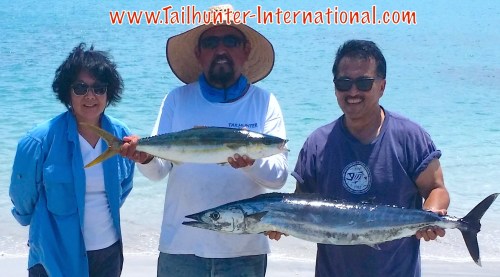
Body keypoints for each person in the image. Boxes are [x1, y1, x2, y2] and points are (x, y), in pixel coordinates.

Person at [119, 4, 288, 277]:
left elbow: (278, 176)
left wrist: (249, 164)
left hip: (243, 251)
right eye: (211, 42)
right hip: (181, 246)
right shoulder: (177, 99)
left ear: (245, 50)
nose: (221, 49)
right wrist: (146, 157)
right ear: (199, 54)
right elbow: (159, 171)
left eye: (231, 41)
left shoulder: (264, 102)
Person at [287, 40, 450, 277]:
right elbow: (300, 204)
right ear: (335, 88)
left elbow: (437, 189)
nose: (353, 92)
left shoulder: (410, 136)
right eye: (344, 83)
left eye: (364, 83)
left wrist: (431, 215)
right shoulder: (317, 143)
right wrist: (277, 223)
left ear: (382, 86)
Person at [9, 43, 135, 277]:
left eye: (99, 88)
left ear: (109, 93)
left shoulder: (121, 135)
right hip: (54, 255)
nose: (90, 96)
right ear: (67, 92)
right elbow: (22, 197)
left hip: (108, 254)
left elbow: (124, 186)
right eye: (80, 88)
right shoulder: (38, 141)